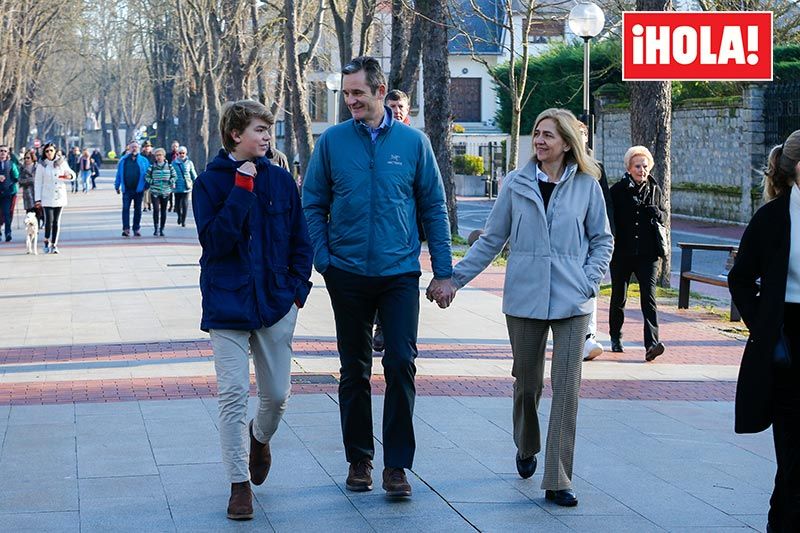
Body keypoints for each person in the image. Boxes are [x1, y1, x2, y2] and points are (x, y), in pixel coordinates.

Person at [432, 108, 612, 507]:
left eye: (549, 134)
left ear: (567, 142)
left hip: (572, 301)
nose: (540, 140)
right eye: (536, 133)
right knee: (527, 382)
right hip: (525, 300)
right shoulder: (515, 183)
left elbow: (603, 240)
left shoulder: (587, 185)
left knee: (567, 390)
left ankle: (558, 478)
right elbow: (491, 240)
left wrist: (588, 279)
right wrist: (455, 280)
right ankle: (526, 444)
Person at [303, 56, 453, 499]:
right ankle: (360, 459)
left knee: (401, 364)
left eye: (357, 93)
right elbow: (312, 203)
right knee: (354, 370)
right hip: (346, 273)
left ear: (379, 89)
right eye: (345, 94)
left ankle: (397, 467)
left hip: (399, 274)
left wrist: (443, 272)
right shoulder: (331, 142)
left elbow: (434, 208)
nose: (350, 100)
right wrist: (324, 260)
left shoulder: (413, 143)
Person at [193, 100, 313, 520]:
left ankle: (259, 437)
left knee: (277, 397)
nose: (267, 137)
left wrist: (298, 290)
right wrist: (241, 191)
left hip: (277, 303)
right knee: (231, 395)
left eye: (269, 130)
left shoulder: (281, 181)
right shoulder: (209, 183)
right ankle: (238, 484)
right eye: (260, 130)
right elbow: (216, 242)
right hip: (227, 303)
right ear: (235, 134)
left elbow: (301, 238)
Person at [728, 129, 800, 533]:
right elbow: (741, 279)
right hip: (788, 340)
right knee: (792, 447)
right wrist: (765, 326)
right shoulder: (773, 218)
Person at [607, 146, 667, 361]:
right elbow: (610, 220)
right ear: (629, 168)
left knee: (648, 298)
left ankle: (651, 344)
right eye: (637, 166)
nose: (642, 170)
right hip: (622, 253)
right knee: (619, 296)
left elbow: (663, 216)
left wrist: (655, 212)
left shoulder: (654, 189)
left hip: (648, 253)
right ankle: (615, 336)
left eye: (645, 166)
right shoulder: (617, 190)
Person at [576, 122, 615, 361]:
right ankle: (581, 337)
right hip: (573, 239)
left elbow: (606, 203)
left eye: (583, 135)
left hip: (593, 237)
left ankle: (587, 336)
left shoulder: (595, 167)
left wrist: (610, 236)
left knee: (591, 286)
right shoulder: (564, 166)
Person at [34, 143, 75, 253]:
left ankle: (54, 244)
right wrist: (37, 199)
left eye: (51, 150)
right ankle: (46, 241)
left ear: (55, 151)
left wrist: (69, 176)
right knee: (48, 220)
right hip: (47, 196)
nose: (49, 153)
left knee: (56, 221)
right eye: (46, 151)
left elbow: (72, 174)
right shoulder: (42, 165)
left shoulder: (62, 162)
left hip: (59, 195)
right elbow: (37, 183)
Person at [114, 140, 150, 237]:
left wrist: (147, 185)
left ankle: (136, 228)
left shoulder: (144, 161)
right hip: (127, 189)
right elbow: (119, 174)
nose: (134, 149)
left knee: (138, 209)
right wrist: (117, 186)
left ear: (138, 149)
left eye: (136, 147)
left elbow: (149, 174)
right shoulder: (123, 160)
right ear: (129, 148)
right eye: (132, 147)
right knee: (125, 209)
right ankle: (126, 229)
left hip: (139, 189)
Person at [145, 148, 176, 237]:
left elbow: (174, 176)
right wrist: (152, 181)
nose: (158, 157)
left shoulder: (169, 166)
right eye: (157, 155)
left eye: (160, 155)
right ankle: (156, 228)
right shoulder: (152, 167)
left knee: (163, 210)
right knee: (156, 210)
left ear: (164, 156)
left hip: (166, 192)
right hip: (155, 191)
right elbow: (147, 176)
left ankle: (162, 228)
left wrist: (171, 181)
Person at [171, 145, 197, 227]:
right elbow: (171, 174)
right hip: (177, 186)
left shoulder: (189, 163)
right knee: (177, 204)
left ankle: (183, 220)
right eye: (180, 153)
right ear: (177, 154)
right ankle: (179, 216)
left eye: (183, 153)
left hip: (186, 186)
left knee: (185, 203)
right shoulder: (174, 163)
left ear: (186, 153)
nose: (182, 154)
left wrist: (196, 182)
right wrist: (171, 182)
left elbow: (193, 174)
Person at [0, 145, 20, 242]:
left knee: (7, 213)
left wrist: (11, 182)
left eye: (4, 151)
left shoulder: (11, 164)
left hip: (8, 193)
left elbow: (17, 177)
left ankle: (8, 232)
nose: (2, 153)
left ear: (8, 153)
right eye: (1, 151)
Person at [18, 150, 41, 227]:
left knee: (38, 213)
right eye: (25, 158)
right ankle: (31, 232)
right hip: (28, 194)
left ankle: (36, 230)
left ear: (32, 158)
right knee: (29, 215)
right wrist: (31, 180)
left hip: (37, 193)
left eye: (28, 158)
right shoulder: (22, 168)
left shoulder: (38, 167)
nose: (26, 160)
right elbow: (20, 181)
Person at [141, 141, 156, 212]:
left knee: (150, 191)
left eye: (148, 146)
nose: (147, 148)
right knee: (145, 191)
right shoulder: (140, 156)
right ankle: (145, 205)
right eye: (146, 146)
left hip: (152, 175)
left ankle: (149, 203)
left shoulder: (154, 157)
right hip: (143, 175)